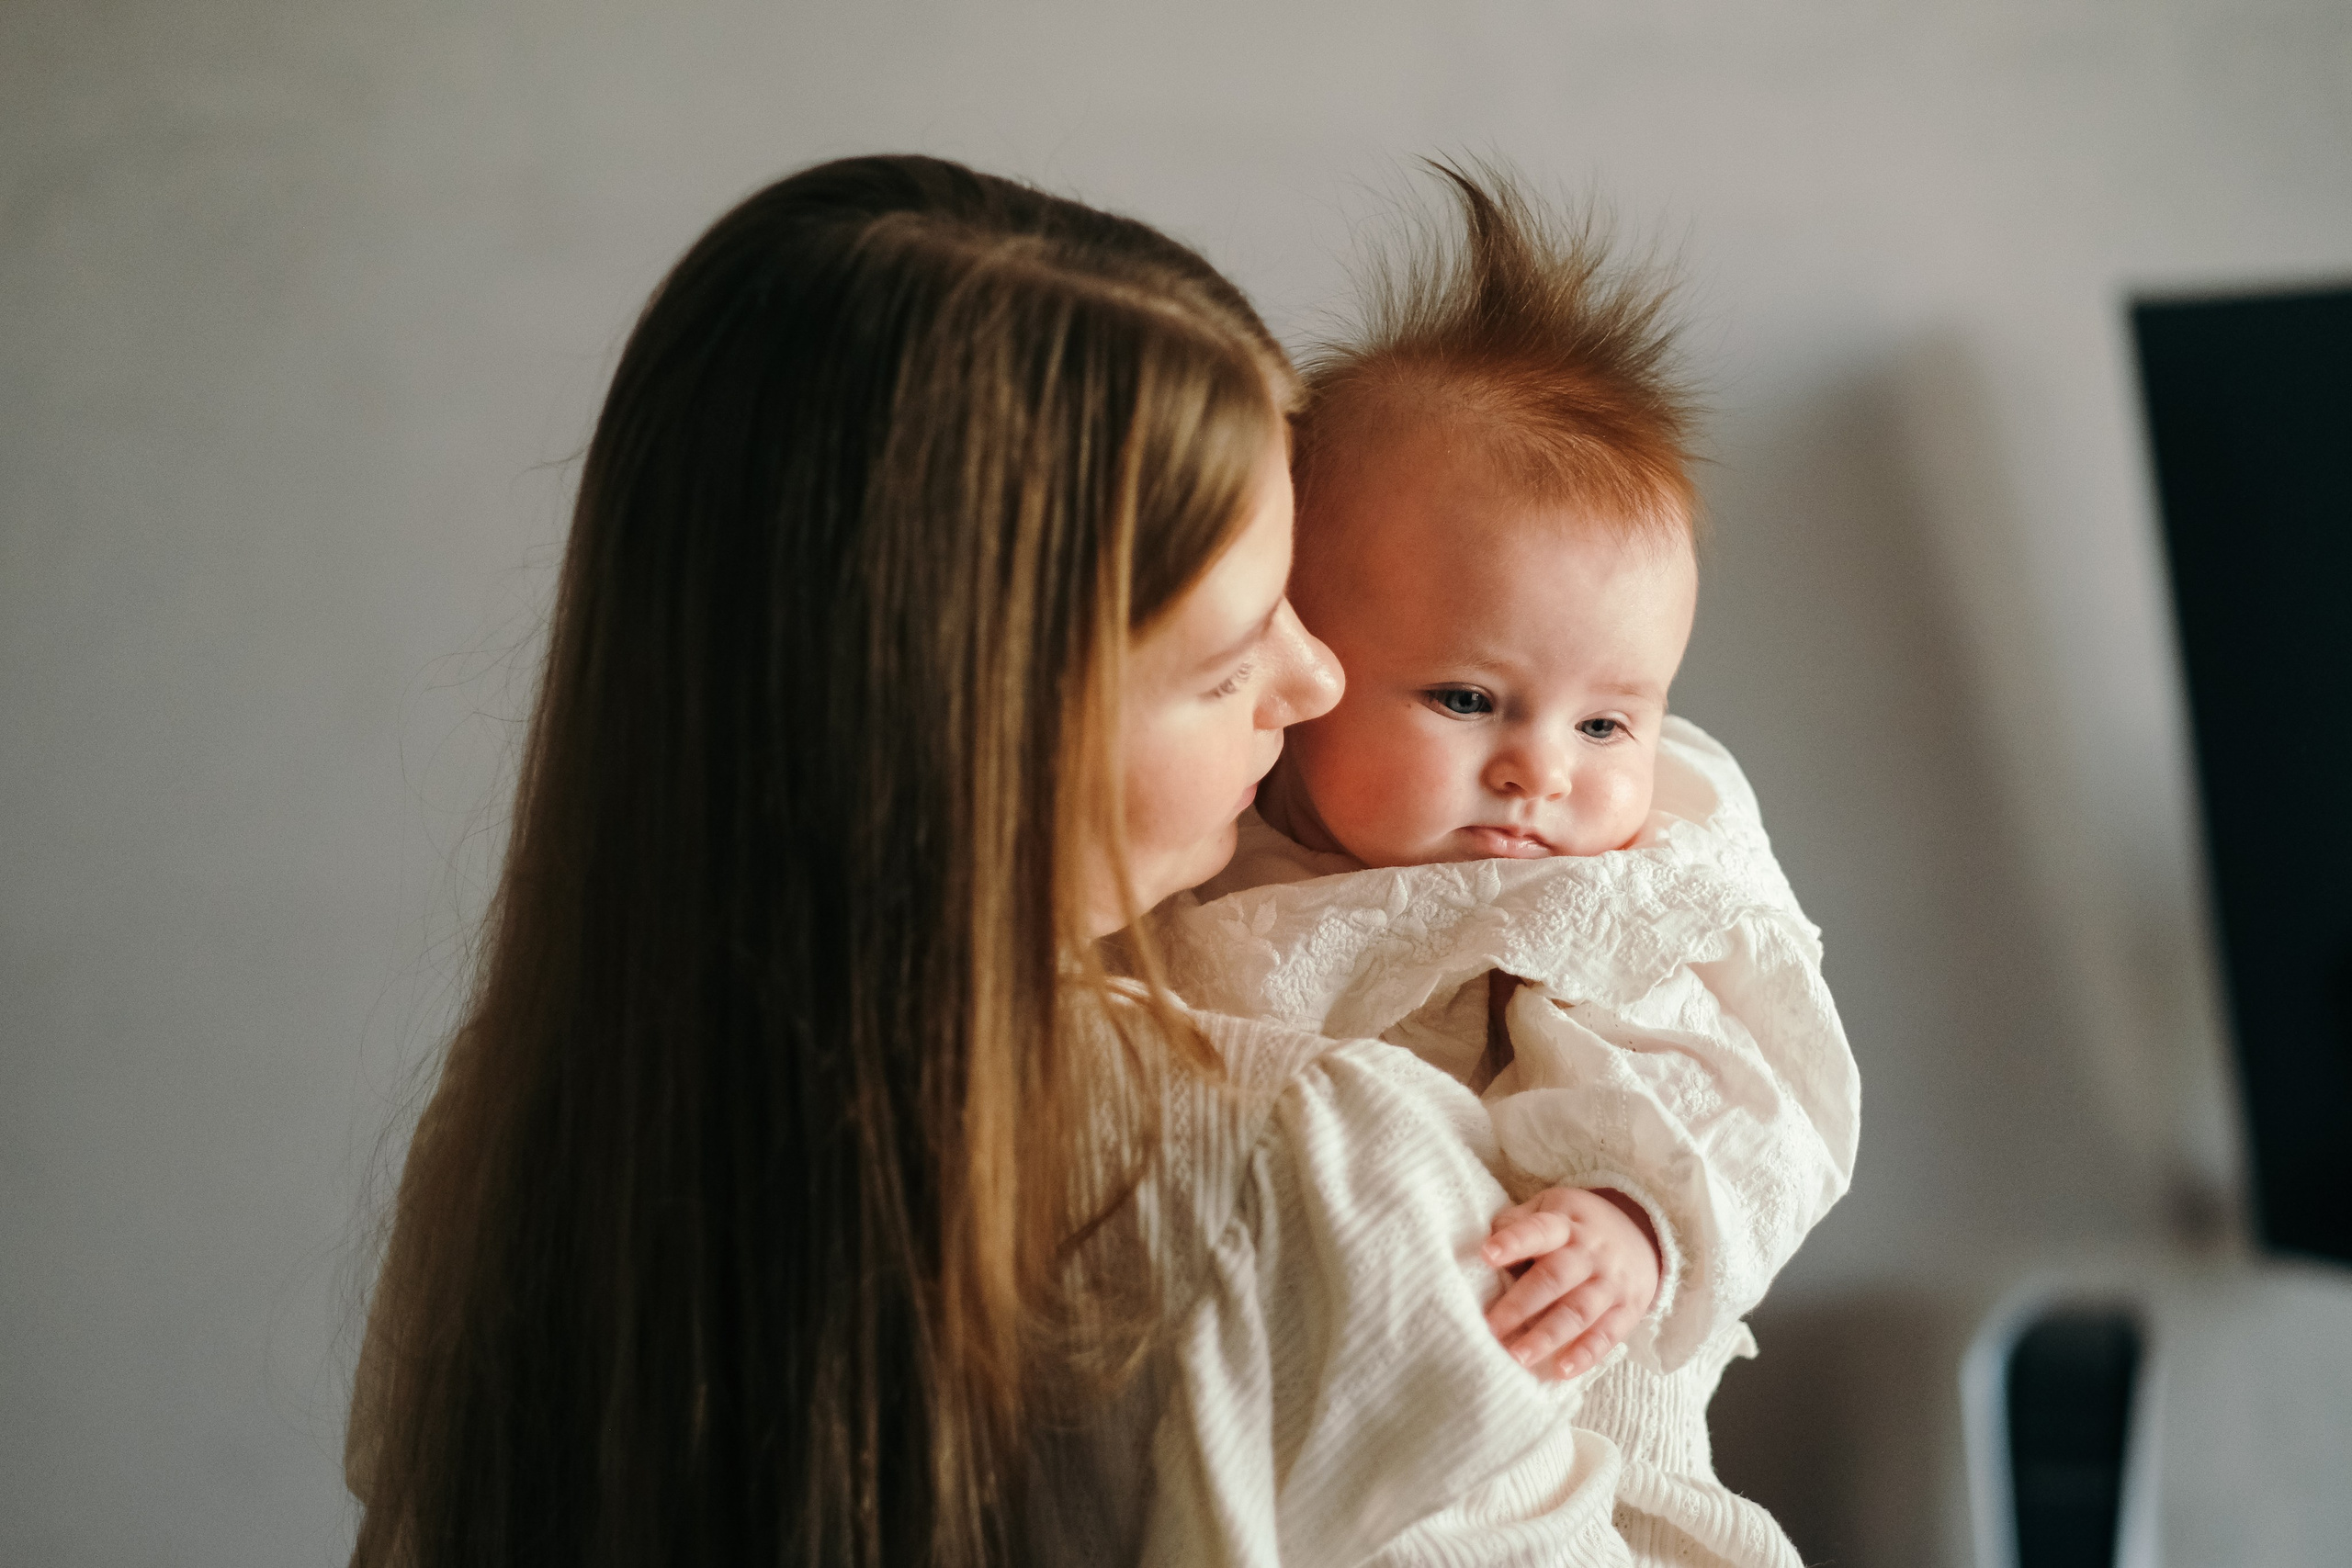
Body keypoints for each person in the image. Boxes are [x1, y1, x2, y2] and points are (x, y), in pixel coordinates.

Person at [346, 153, 1651, 1567]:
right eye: (1231, 657)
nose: (1319, 678)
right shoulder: (1303, 1177)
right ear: (987, 733)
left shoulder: (527, 1127)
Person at [1153, 165, 1860, 1568]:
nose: (1543, 770)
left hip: (1580, 1390)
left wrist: (1634, 1217)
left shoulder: (1598, 889)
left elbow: (1748, 1087)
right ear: (1301, 654)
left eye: (1608, 720)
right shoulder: (1208, 832)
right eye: (1466, 700)